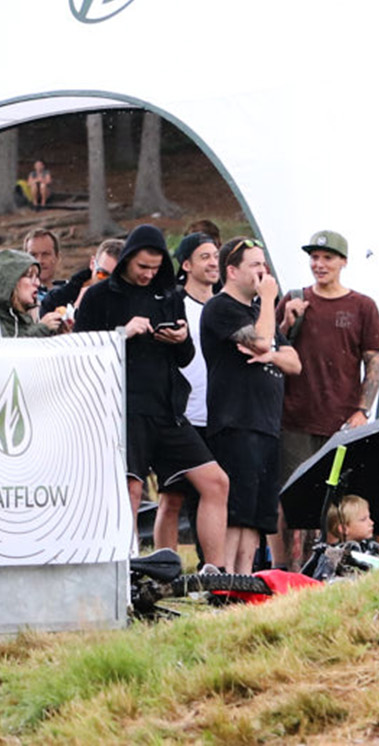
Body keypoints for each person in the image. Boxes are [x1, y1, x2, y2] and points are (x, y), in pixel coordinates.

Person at [79, 225, 230, 566]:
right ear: (127, 260)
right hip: (122, 409)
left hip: (167, 409)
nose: (148, 274)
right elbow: (80, 352)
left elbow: (186, 357)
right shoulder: (98, 296)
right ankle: (126, 573)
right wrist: (121, 334)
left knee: (216, 482)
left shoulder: (169, 295)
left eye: (154, 267)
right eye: (141, 267)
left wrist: (181, 339)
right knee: (130, 492)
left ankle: (215, 572)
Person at [275, 230, 379, 567]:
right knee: (293, 498)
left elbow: (373, 363)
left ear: (343, 262)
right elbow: (271, 347)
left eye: (327, 258)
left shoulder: (362, 306)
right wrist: (286, 321)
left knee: (336, 498)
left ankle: (332, 566)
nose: (319, 264)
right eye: (314, 257)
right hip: (294, 418)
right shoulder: (294, 298)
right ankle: (290, 570)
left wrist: (362, 410)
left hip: (342, 422)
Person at [201, 238, 298, 573]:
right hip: (236, 420)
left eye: (264, 265)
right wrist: (271, 301)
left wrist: (271, 353)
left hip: (267, 421)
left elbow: (294, 361)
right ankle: (225, 576)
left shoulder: (259, 312)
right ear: (232, 270)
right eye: (254, 265)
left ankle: (245, 579)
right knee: (236, 508)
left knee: (256, 515)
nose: (262, 271)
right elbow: (258, 341)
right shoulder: (221, 307)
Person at [154, 230, 220, 555]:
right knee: (172, 496)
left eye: (216, 256)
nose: (213, 263)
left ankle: (213, 567)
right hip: (181, 414)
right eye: (205, 257)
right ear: (187, 264)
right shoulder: (174, 302)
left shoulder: (225, 304)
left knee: (215, 490)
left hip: (219, 415)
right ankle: (165, 568)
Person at [0, 248, 59, 337]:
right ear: (10, 281)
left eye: (37, 276)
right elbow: (6, 348)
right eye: (29, 276)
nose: (37, 283)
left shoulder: (22, 317)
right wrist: (42, 329)